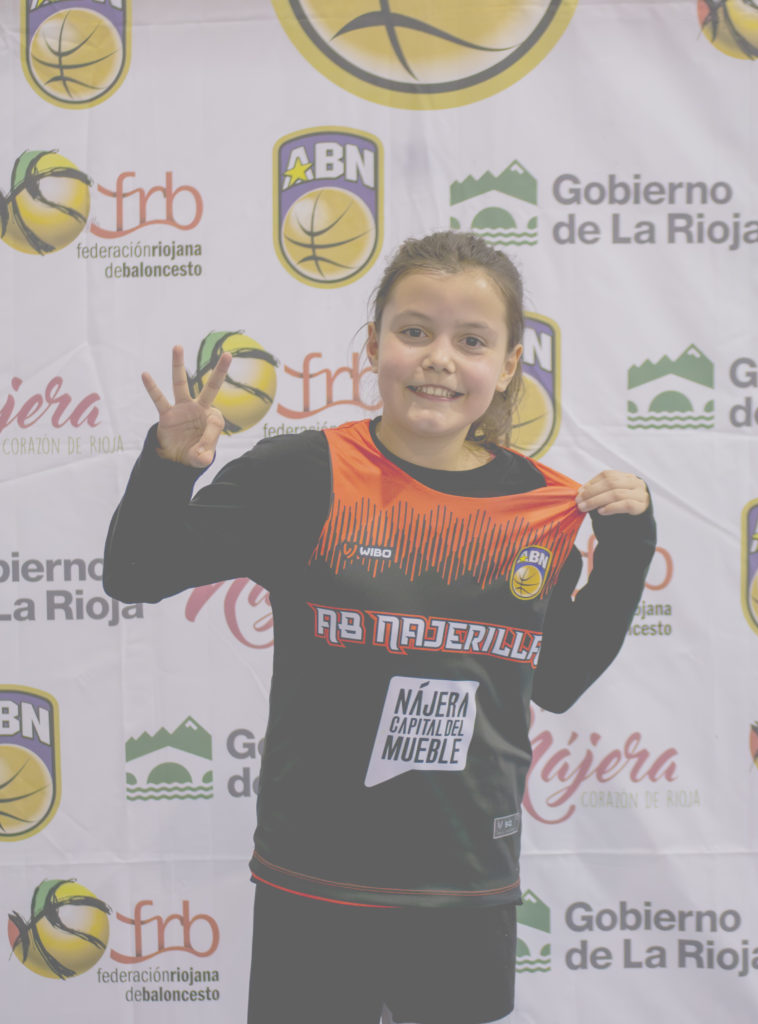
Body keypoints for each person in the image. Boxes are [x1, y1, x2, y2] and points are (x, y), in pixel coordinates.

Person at [103, 231, 656, 1024]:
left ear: (508, 366)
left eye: (471, 341)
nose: (439, 358)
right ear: (372, 346)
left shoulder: (538, 507)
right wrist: (167, 466)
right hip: (314, 878)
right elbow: (135, 572)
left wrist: (629, 548)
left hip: (467, 882)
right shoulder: (303, 474)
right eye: (414, 331)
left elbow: (560, 682)